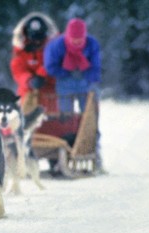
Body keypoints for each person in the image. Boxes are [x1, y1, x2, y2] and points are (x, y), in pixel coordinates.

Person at [44, 18, 104, 172]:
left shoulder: (92, 44)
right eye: (74, 40)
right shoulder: (56, 46)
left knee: (90, 119)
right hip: (64, 86)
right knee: (65, 120)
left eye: (80, 40)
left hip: (87, 85)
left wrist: (86, 74)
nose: (77, 43)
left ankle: (93, 150)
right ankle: (60, 156)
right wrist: (66, 71)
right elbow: (50, 67)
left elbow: (96, 68)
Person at [10, 12, 59, 125]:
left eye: (39, 38)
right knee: (25, 114)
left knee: (53, 118)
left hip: (50, 88)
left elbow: (54, 62)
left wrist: (43, 75)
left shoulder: (54, 46)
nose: (37, 42)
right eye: (34, 38)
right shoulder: (20, 49)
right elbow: (18, 70)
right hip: (28, 90)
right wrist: (29, 80)